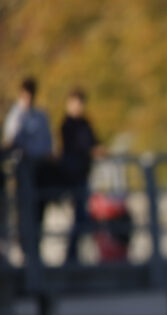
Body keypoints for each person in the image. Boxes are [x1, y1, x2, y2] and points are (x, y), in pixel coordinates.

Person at [2, 77, 55, 266]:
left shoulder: (40, 116)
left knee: (39, 214)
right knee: (24, 215)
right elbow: (11, 142)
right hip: (23, 174)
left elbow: (48, 145)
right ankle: (26, 255)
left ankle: (34, 254)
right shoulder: (16, 116)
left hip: (40, 173)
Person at [58, 88, 102, 265]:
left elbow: (93, 141)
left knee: (82, 217)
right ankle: (72, 256)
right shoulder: (67, 124)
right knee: (81, 217)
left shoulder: (85, 123)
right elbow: (78, 146)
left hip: (83, 174)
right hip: (72, 176)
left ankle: (74, 255)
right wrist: (91, 150)